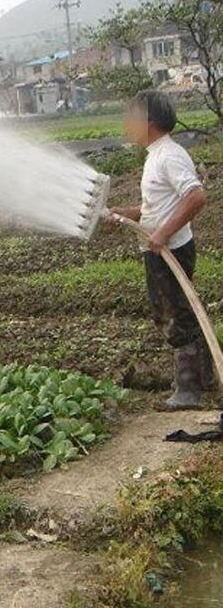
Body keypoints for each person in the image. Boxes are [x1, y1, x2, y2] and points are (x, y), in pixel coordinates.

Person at [108, 89, 209, 409]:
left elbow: (195, 196)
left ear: (149, 122)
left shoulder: (170, 155)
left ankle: (189, 390)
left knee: (175, 316)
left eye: (132, 118)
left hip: (171, 252)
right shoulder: (156, 155)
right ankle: (204, 379)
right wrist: (130, 214)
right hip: (160, 249)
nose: (127, 124)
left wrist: (163, 233)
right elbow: (158, 205)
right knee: (176, 312)